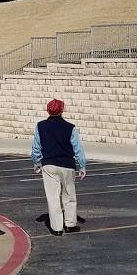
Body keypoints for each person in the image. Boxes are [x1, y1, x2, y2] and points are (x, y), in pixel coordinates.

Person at [31, 98, 87, 236]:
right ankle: (70, 224)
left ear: (48, 110)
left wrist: (37, 163)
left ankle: (56, 228)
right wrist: (82, 166)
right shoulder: (70, 127)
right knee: (69, 195)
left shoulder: (40, 126)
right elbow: (77, 149)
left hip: (49, 164)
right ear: (62, 110)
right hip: (67, 165)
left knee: (53, 196)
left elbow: (36, 148)